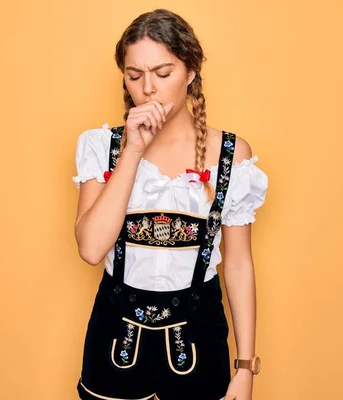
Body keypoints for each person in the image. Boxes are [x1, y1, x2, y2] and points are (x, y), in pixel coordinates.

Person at [72, 9, 268, 400]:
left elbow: (238, 263)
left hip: (201, 345)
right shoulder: (102, 147)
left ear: (191, 72)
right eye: (134, 75)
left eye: (163, 74)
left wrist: (245, 368)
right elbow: (91, 249)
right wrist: (133, 151)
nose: (148, 89)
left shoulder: (230, 155)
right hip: (114, 348)